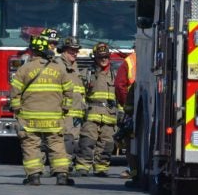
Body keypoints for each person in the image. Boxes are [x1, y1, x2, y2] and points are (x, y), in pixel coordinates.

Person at [10, 31, 75, 186]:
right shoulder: (58, 68)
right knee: (56, 144)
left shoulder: (24, 69)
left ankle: (34, 177)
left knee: (30, 144)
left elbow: (15, 92)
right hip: (53, 116)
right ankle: (62, 175)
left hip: (30, 117)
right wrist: (65, 107)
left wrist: (17, 110)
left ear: (33, 51)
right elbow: (69, 89)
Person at [74, 43, 117, 177]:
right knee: (87, 142)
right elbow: (79, 94)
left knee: (107, 144)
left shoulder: (115, 74)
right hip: (92, 113)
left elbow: (121, 95)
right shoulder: (87, 74)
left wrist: (121, 113)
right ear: (95, 58)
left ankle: (101, 168)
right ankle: (83, 167)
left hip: (110, 115)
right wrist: (79, 112)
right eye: (100, 57)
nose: (103, 60)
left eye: (105, 57)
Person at [56, 36, 86, 159]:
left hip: (76, 113)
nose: (75, 53)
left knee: (73, 141)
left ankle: (66, 167)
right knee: (66, 141)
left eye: (76, 50)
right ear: (63, 50)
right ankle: (62, 169)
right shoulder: (58, 65)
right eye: (71, 51)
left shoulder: (74, 66)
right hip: (65, 113)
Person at [115, 50, 138, 186]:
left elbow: (119, 85)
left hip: (132, 108)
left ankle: (135, 174)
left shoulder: (130, 60)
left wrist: (126, 104)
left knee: (131, 142)